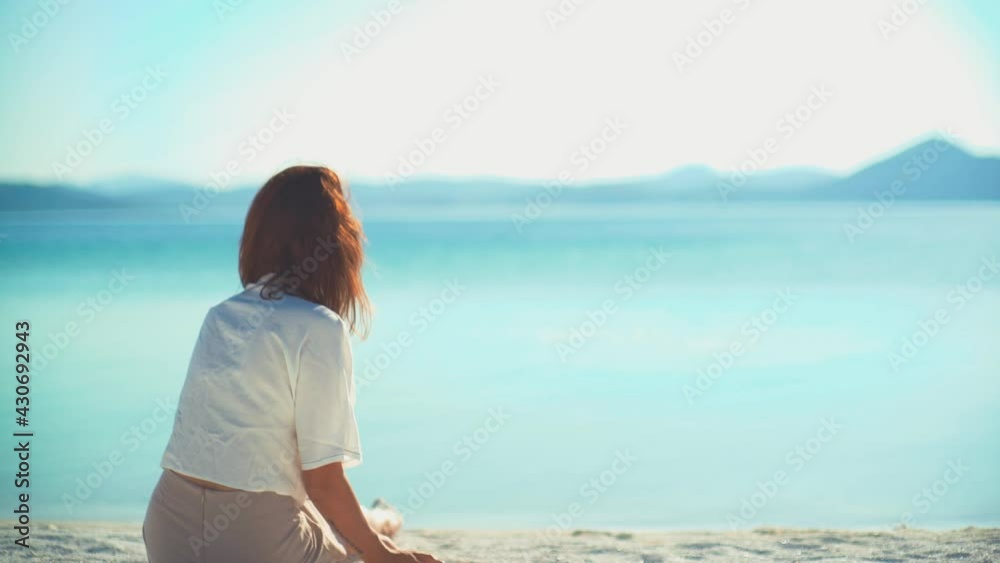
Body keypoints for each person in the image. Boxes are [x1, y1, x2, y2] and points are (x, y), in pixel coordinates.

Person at [143, 165, 441, 563]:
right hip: (258, 541)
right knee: (346, 538)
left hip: (168, 532)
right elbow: (323, 483)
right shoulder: (319, 326)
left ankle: (380, 520)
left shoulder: (220, 315)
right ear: (335, 242)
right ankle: (382, 523)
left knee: (315, 512)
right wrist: (382, 556)